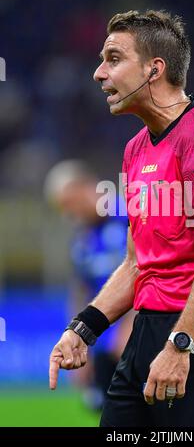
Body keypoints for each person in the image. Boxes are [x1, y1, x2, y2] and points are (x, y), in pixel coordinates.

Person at [49, 10, 194, 427]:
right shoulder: (135, 149)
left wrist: (180, 346)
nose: (98, 73)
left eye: (113, 58)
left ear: (153, 70)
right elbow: (136, 262)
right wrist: (83, 329)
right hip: (145, 334)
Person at [44, 160, 133, 410]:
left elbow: (151, 273)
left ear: (86, 188)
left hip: (146, 331)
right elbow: (80, 291)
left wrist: (134, 323)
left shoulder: (132, 214)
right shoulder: (82, 242)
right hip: (107, 343)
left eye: (69, 204)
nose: (69, 214)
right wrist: (77, 339)